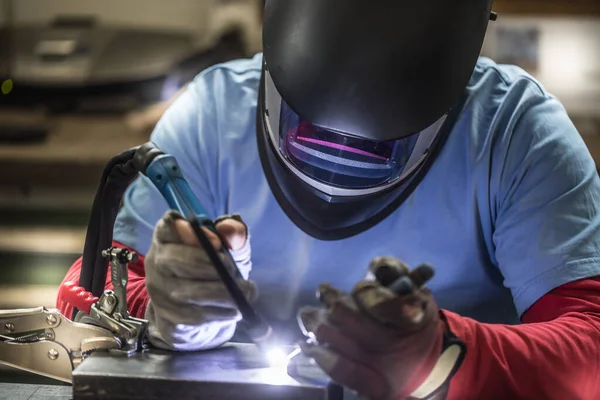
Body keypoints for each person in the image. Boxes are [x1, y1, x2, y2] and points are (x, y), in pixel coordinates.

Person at [57, 1, 600, 399]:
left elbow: (591, 346)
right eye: (312, 128)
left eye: (380, 143)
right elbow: (81, 293)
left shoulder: (517, 133)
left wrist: (445, 358)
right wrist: (163, 309)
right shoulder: (212, 114)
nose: (341, 158)